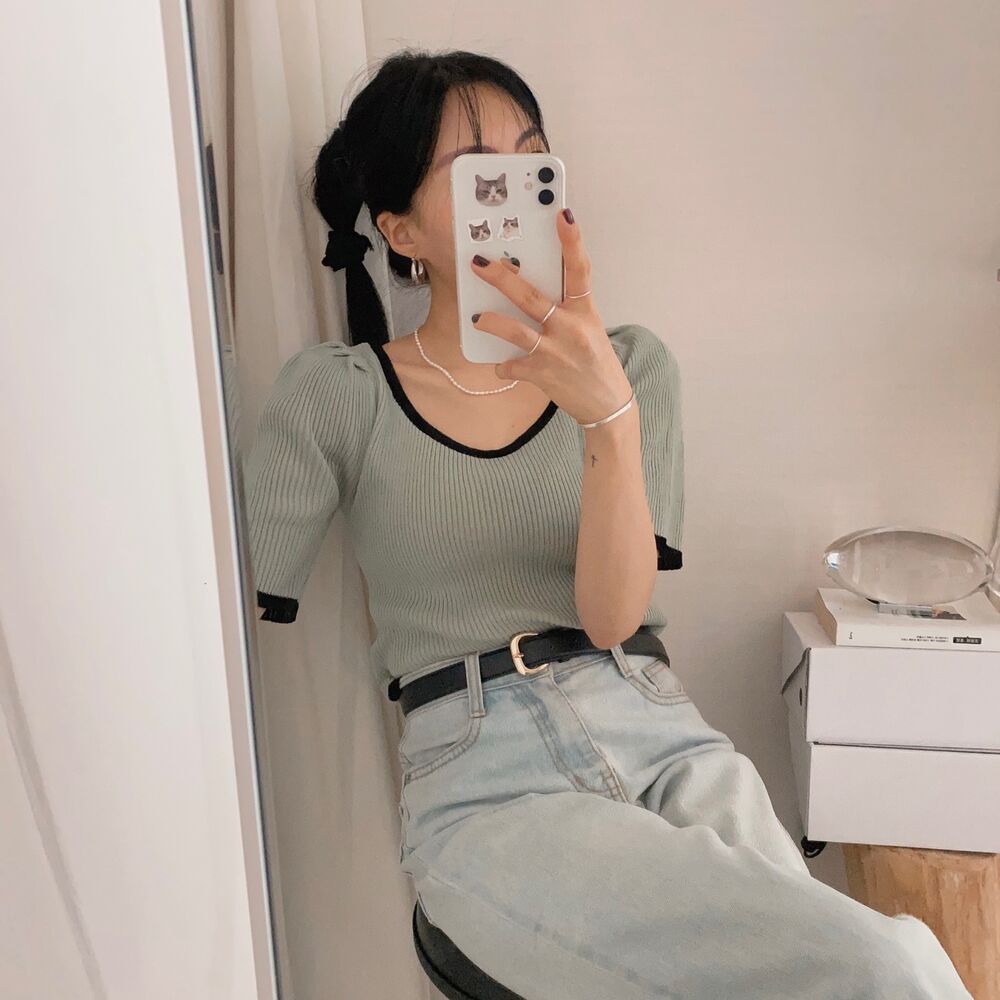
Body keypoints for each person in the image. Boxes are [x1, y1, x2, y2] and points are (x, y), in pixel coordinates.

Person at [243, 48, 973, 1000]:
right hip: (486, 780)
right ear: (402, 229)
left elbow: (612, 615)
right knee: (886, 968)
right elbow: (233, 593)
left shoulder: (634, 367)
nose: (518, 190)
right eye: (477, 172)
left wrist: (608, 418)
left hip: (659, 731)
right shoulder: (344, 395)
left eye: (533, 159)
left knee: (865, 975)